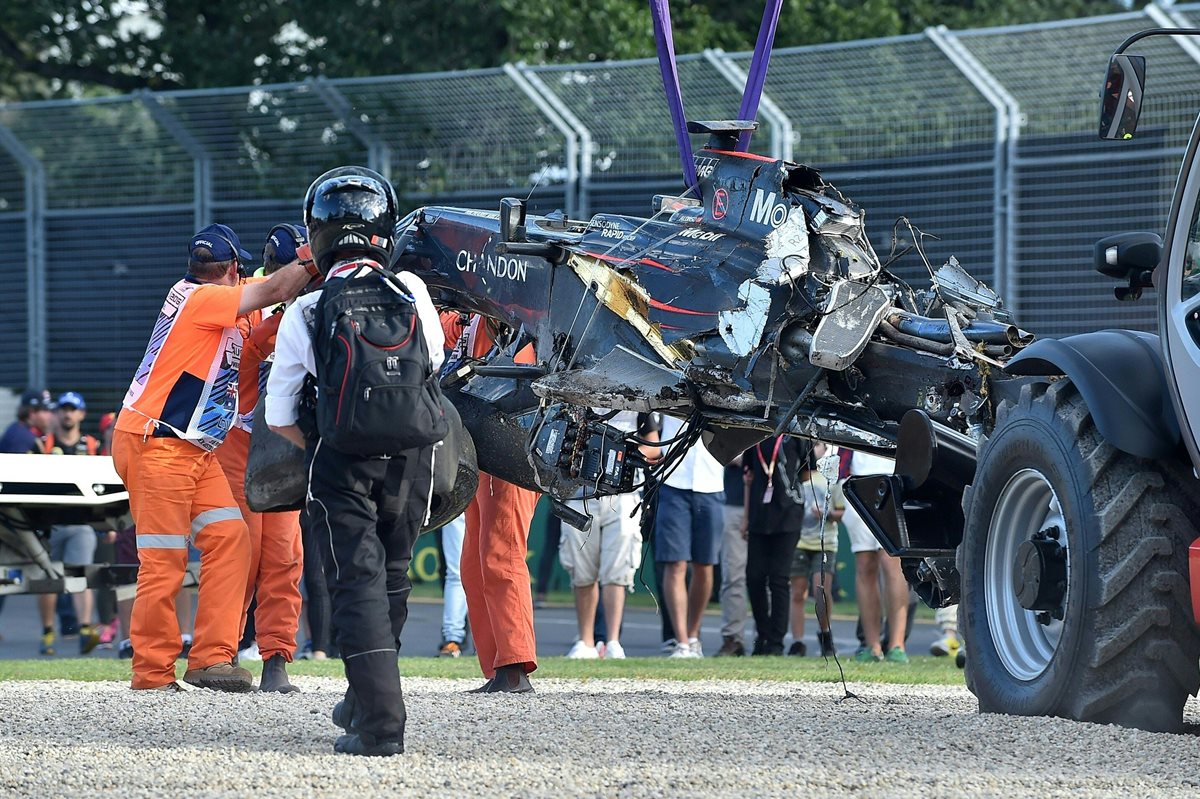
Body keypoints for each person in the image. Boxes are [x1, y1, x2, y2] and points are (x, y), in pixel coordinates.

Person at [268, 166, 443, 756]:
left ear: (317, 234)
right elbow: (434, 364)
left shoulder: (306, 309)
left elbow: (279, 415)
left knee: (356, 584)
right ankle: (363, 700)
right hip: (413, 457)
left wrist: (324, 443)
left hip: (341, 459)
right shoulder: (412, 291)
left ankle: (381, 725)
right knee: (392, 576)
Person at [111, 221, 313, 692]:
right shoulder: (202, 299)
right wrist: (316, 257)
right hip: (158, 445)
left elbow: (265, 318)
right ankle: (152, 674)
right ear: (233, 268)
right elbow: (275, 288)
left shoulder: (203, 295)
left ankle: (211, 660)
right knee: (164, 562)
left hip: (190, 449)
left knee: (231, 538)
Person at [215, 223, 307, 693]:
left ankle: (276, 658)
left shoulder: (313, 304)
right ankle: (221, 654)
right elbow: (247, 353)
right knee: (240, 552)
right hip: (237, 439)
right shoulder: (242, 298)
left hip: (284, 443)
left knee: (284, 555)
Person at [440, 312, 540, 692]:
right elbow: (444, 327)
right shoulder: (468, 320)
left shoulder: (513, 319)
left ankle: (514, 667)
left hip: (511, 448)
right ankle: (499, 668)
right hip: (484, 450)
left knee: (502, 555)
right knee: (472, 565)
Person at [562, 411, 659, 660]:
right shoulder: (576, 396)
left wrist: (625, 455)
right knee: (582, 568)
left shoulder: (637, 399)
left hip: (623, 492)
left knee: (618, 569)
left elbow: (654, 446)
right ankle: (585, 641)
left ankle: (613, 641)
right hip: (580, 490)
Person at [34, 392, 105, 656]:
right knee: (48, 578)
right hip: (48, 524)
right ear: (57, 413)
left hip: (82, 523)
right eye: (63, 408)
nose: (67, 414)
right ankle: (47, 632)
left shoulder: (92, 445)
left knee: (80, 576)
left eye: (72, 409)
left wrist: (106, 522)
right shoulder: (42, 444)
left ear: (81, 414)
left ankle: (85, 629)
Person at [655, 416, 724, 659]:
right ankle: (681, 641)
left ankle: (693, 636)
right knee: (675, 563)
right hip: (673, 479)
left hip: (711, 482)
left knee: (704, 565)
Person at [744, 437, 816, 655]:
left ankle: (775, 642)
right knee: (754, 577)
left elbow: (808, 473)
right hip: (758, 514)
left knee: (779, 578)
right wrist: (746, 517)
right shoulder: (754, 433)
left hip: (788, 515)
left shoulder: (798, 434)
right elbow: (748, 477)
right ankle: (762, 633)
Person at [842, 450, 909, 664]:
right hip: (856, 478)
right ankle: (872, 646)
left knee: (891, 562)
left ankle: (897, 645)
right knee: (865, 564)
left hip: (892, 475)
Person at [786, 443, 844, 657]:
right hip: (799, 541)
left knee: (821, 591)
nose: (814, 450)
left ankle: (825, 634)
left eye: (818, 445)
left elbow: (841, 512)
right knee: (797, 592)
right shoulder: (797, 474)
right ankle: (797, 641)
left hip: (824, 543)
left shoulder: (832, 477)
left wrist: (826, 514)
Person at [715, 454, 748, 657]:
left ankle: (769, 640)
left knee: (769, 578)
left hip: (770, 505)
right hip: (734, 502)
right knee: (733, 574)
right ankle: (733, 638)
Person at [438, 513, 467, 657]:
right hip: (458, 506)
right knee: (456, 572)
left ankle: (493, 640)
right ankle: (452, 638)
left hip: (493, 500)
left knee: (493, 569)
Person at [0, 389, 55, 453]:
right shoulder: (22, 437)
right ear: (32, 413)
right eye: (45, 411)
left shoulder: (22, 429)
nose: (50, 415)